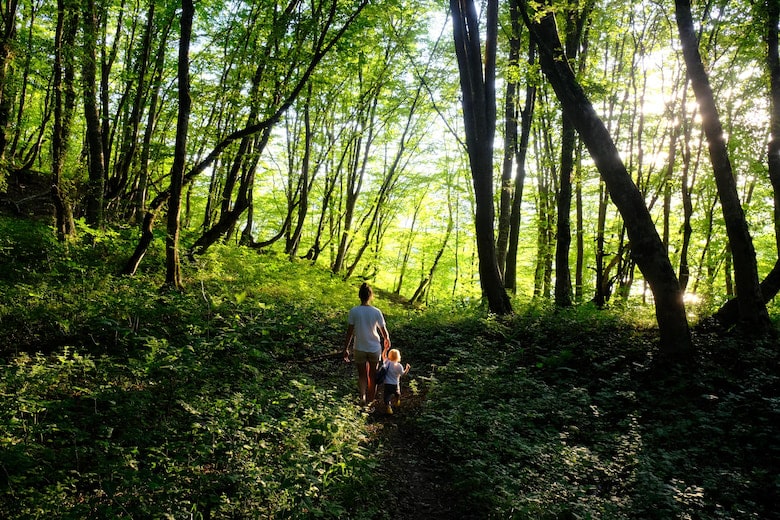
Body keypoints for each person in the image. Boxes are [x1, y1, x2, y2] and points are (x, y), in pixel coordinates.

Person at [343, 282, 390, 406]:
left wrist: (345, 348)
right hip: (374, 348)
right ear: (370, 296)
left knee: (362, 376)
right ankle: (370, 403)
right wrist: (387, 341)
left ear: (360, 296)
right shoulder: (376, 312)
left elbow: (349, 332)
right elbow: (384, 331)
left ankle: (362, 396)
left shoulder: (354, 311)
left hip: (359, 348)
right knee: (372, 376)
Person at [380, 346, 410, 415]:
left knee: (387, 396)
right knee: (397, 393)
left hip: (387, 383)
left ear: (389, 355)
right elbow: (403, 374)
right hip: (395, 384)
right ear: (398, 356)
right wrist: (407, 369)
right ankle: (397, 401)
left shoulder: (387, 362)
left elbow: (383, 355)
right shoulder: (399, 365)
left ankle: (389, 407)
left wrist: (385, 349)